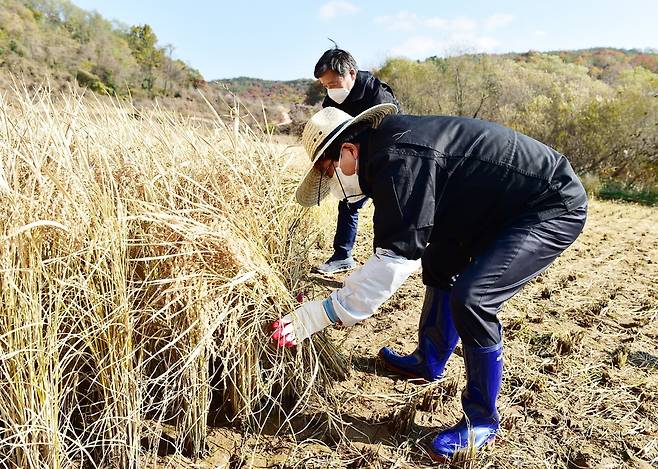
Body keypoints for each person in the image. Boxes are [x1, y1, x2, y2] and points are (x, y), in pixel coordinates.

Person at [272, 104, 588, 461]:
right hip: (485, 208)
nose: (335, 185)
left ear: (347, 151)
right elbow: (410, 239)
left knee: (474, 298)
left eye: (331, 173)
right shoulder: (384, 150)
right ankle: (429, 360)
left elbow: (394, 260)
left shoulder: (397, 159)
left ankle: (481, 420)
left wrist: (319, 314)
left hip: (548, 205)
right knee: (439, 260)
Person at [312, 47, 401, 275]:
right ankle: (342, 256)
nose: (330, 90)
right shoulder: (332, 99)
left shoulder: (378, 95)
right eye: (325, 86)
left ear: (351, 73)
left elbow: (389, 132)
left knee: (384, 209)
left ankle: (379, 264)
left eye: (333, 84)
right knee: (348, 203)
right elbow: (328, 130)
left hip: (386, 157)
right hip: (352, 158)